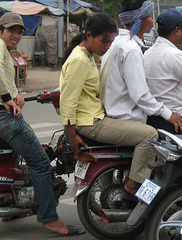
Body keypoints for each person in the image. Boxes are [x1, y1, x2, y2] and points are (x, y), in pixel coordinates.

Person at [0, 12, 83, 237]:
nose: (16, 35)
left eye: (19, 31)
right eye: (11, 30)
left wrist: (16, 94)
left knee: (16, 159)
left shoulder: (3, 49)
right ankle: (49, 218)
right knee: (41, 163)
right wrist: (7, 97)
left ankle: (11, 208)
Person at [60, 13, 158, 197]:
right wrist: (71, 135)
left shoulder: (86, 55)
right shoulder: (80, 60)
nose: (107, 47)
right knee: (150, 135)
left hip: (92, 118)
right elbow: (67, 100)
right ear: (88, 35)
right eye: (104, 41)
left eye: (110, 42)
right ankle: (133, 184)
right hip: (90, 123)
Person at [99, 0, 182, 134]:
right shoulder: (131, 49)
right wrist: (169, 114)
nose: (152, 20)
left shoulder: (116, 43)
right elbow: (140, 95)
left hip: (113, 114)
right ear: (139, 20)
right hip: (127, 118)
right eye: (149, 16)